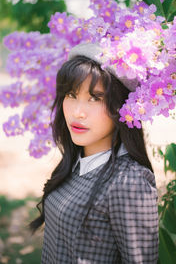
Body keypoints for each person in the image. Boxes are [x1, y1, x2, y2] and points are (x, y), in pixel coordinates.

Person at [30, 43, 159, 264]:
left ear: (122, 107)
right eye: (71, 94)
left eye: (95, 98)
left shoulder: (128, 182)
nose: (77, 112)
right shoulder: (76, 162)